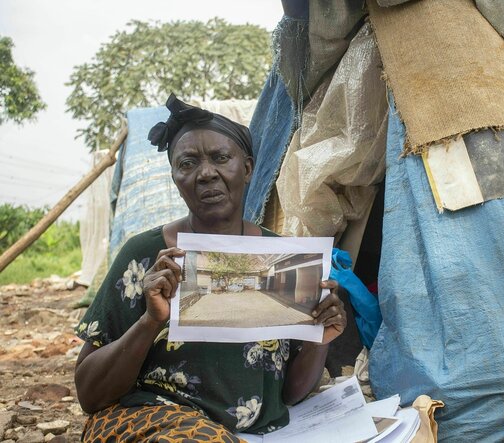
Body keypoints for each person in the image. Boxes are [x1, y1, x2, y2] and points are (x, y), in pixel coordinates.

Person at [74, 94, 347, 442]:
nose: (206, 174)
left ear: (246, 168)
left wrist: (319, 341)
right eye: (187, 163)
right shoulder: (145, 256)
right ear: (174, 177)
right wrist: (151, 321)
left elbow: (289, 394)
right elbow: (89, 394)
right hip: (153, 422)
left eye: (221, 158)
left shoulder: (282, 259)